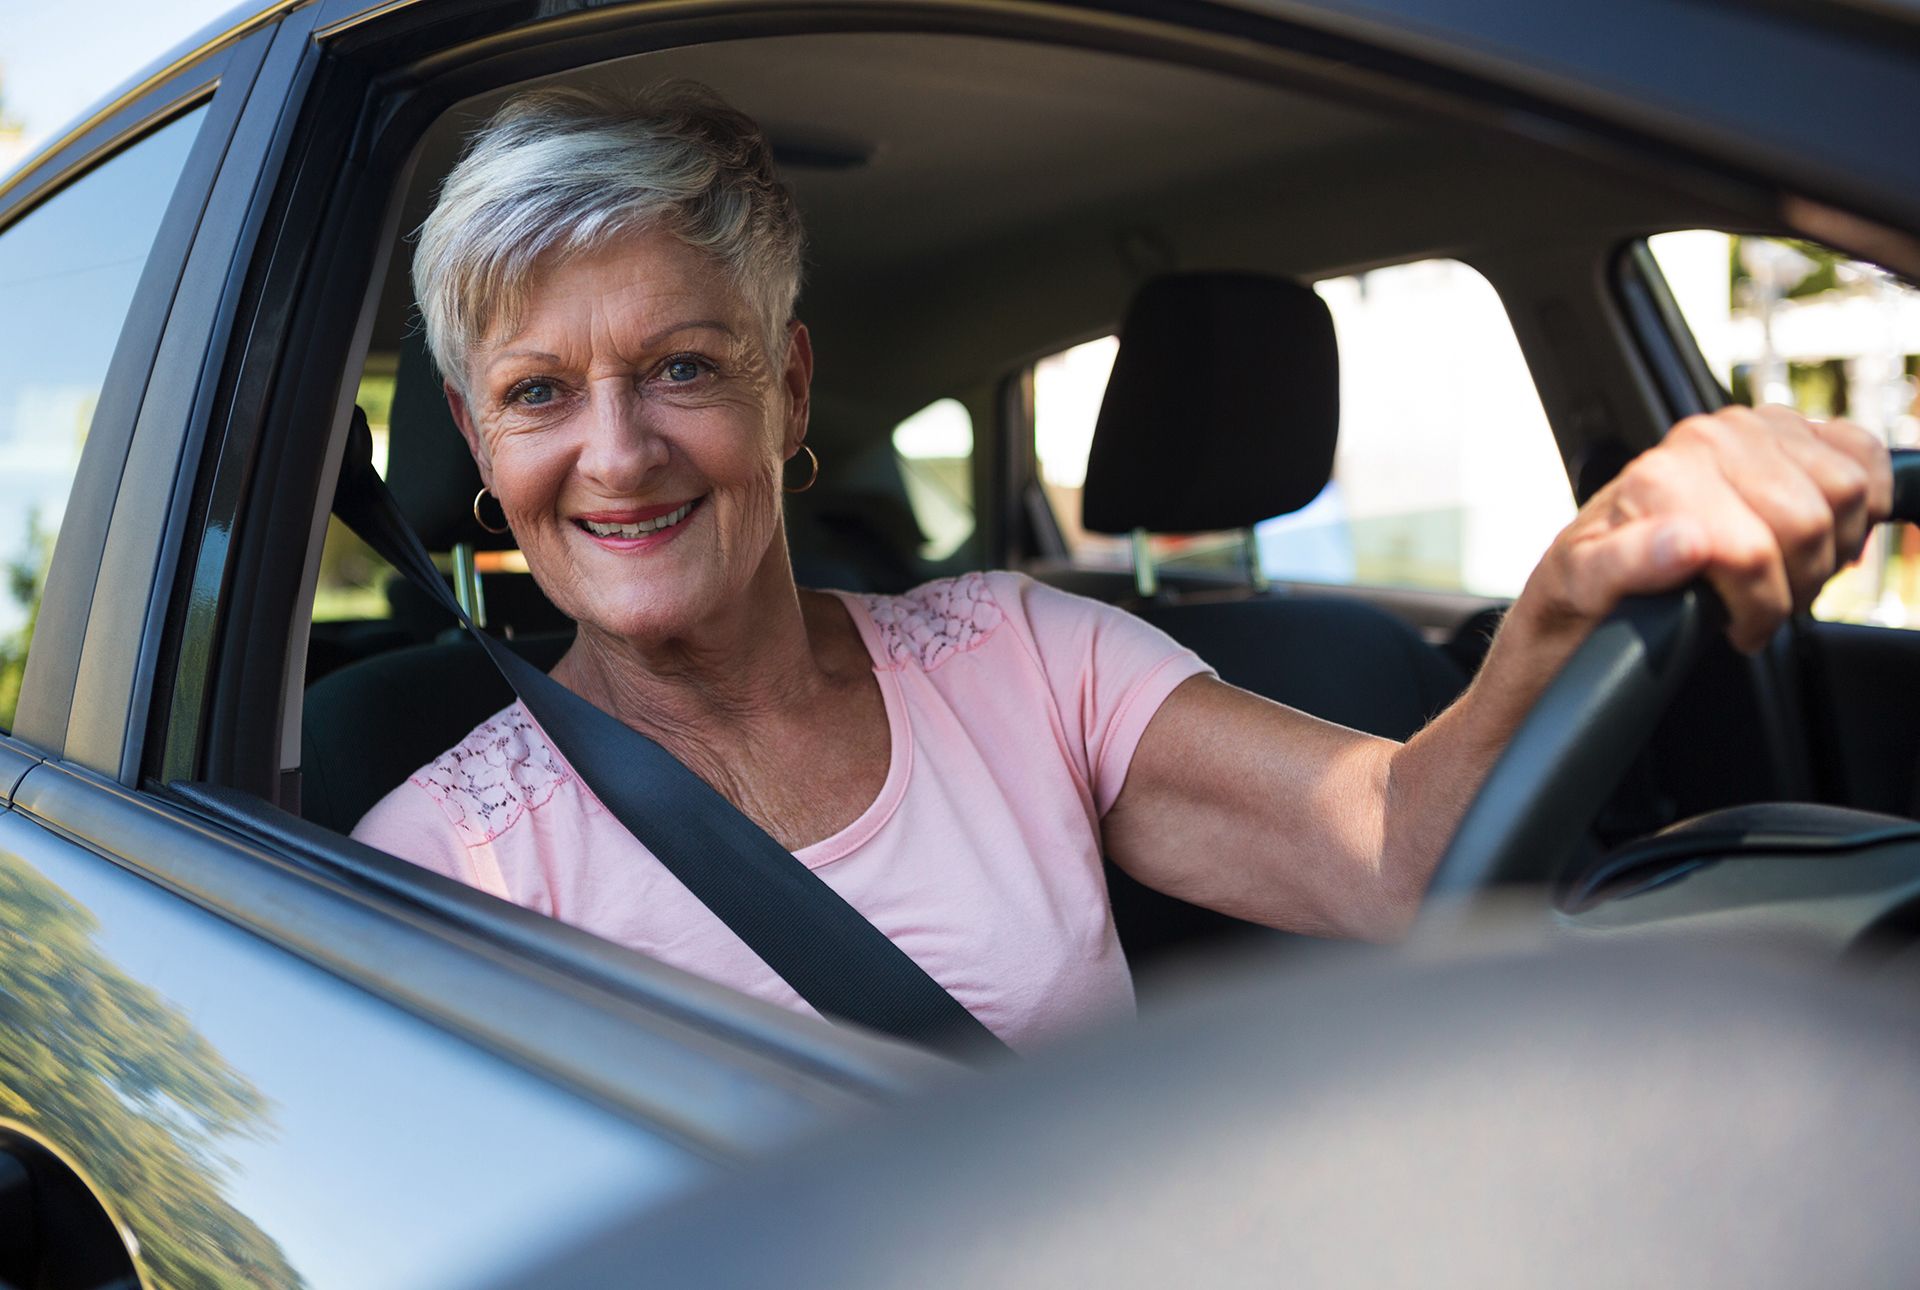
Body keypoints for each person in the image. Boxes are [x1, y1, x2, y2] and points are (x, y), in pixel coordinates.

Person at [353, 83, 1891, 1050]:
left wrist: (1577, 587)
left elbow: (1396, 849)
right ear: (484, 452)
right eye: (541, 393)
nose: (616, 456)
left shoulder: (1020, 654)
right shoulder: (442, 858)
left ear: (790, 388)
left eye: (683, 367)